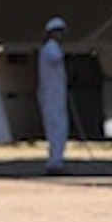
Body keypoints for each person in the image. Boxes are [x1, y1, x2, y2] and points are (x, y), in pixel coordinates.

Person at [38, 16, 70, 173]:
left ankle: (57, 159)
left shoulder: (51, 47)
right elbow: (56, 57)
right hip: (52, 95)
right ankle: (55, 161)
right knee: (57, 128)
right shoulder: (51, 48)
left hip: (56, 94)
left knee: (59, 128)